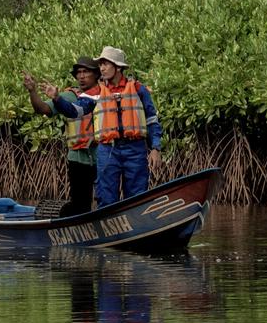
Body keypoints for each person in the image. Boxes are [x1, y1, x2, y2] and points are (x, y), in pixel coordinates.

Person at [44, 46, 162, 207]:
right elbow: (75, 111)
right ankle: (109, 228)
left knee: (137, 197)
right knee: (106, 198)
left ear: (118, 67)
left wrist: (155, 148)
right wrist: (57, 98)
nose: (102, 68)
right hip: (108, 150)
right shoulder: (96, 92)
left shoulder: (138, 89)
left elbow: (152, 120)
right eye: (101, 64)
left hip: (135, 149)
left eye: (106, 64)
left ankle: (135, 225)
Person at [22, 56, 101, 216]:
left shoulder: (106, 94)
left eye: (86, 72)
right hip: (78, 158)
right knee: (80, 205)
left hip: (104, 156)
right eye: (78, 72)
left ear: (97, 75)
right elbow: (43, 109)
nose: (81, 76)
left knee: (106, 200)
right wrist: (32, 91)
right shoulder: (70, 96)